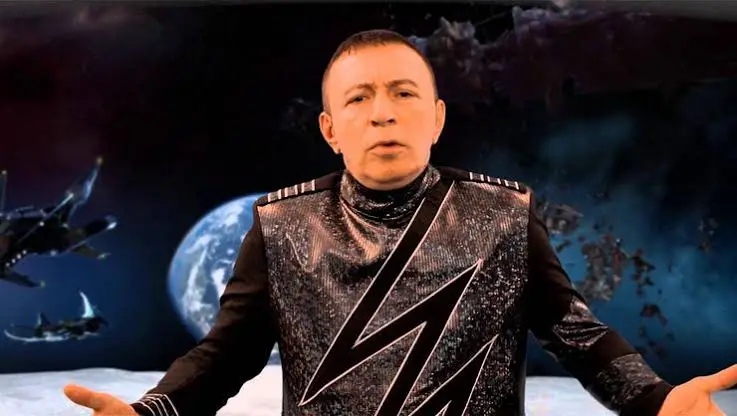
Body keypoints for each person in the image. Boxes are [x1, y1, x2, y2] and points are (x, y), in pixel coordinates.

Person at [63, 29, 737, 416]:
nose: (382, 112)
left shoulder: (503, 217)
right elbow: (224, 356)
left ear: (436, 118)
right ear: (330, 129)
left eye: (402, 93)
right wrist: (152, 410)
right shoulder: (279, 225)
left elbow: (577, 337)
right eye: (358, 98)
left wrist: (655, 401)